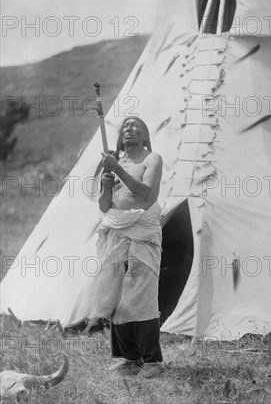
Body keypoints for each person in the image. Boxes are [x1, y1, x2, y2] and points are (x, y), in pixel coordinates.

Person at [91, 116, 163, 377]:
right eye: (125, 127)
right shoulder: (114, 163)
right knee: (117, 296)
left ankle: (152, 361)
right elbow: (104, 206)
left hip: (142, 234)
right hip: (116, 232)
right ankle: (129, 358)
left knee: (140, 295)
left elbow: (147, 193)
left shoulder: (151, 159)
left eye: (136, 127)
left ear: (145, 136)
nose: (128, 129)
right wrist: (106, 187)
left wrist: (116, 169)